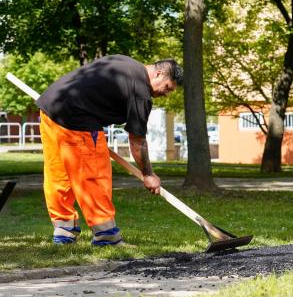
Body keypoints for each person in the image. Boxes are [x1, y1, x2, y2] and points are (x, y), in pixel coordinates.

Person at [36, 55, 183, 246]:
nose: (166, 94)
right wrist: (148, 174)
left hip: (50, 109)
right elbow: (137, 141)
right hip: (78, 120)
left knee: (59, 174)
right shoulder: (141, 92)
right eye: (167, 88)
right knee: (94, 176)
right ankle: (106, 236)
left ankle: (64, 231)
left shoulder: (123, 62)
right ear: (159, 73)